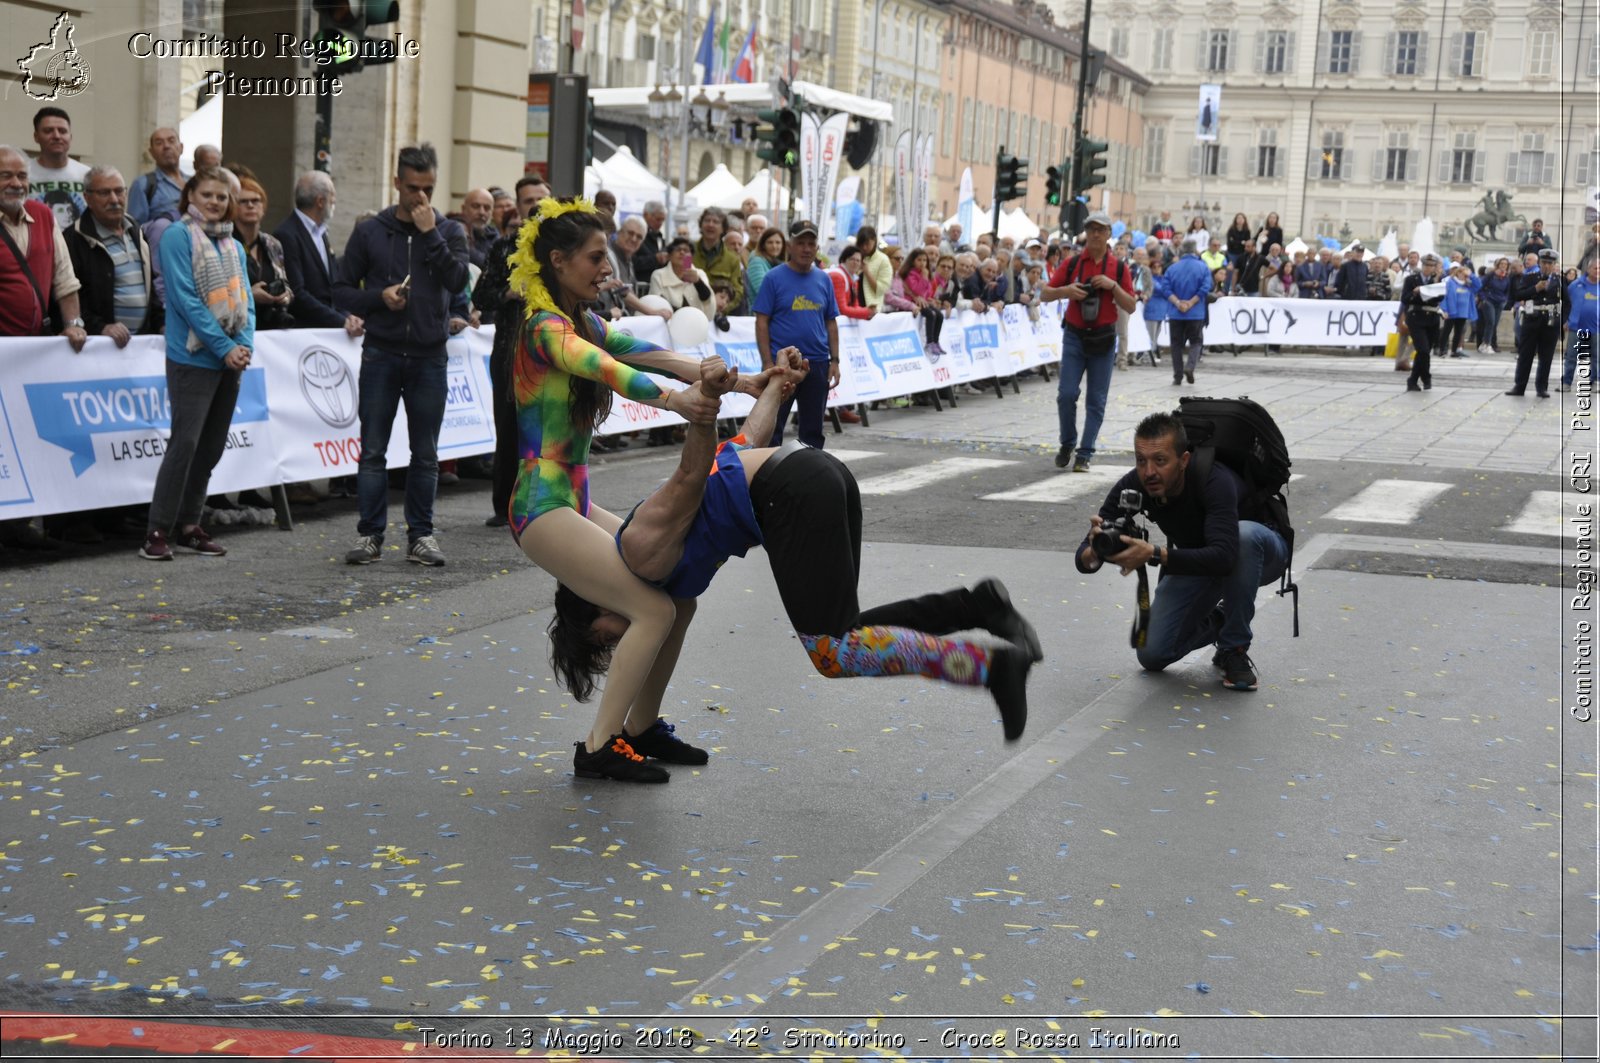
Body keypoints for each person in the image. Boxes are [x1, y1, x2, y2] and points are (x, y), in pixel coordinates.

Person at [548, 358, 1041, 783]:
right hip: (817, 473)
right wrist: (778, 389)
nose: (614, 644)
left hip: (797, 494)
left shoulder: (638, 550)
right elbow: (750, 441)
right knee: (846, 632)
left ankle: (991, 669)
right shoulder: (660, 586)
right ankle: (979, 605)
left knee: (833, 654)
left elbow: (691, 473)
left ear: (590, 595)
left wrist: (703, 409)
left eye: (601, 638)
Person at [499, 195, 726, 782]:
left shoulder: (587, 322)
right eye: (597, 257)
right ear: (558, 261)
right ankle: (599, 746)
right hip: (538, 506)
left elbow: (645, 352)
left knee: (678, 599)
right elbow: (607, 370)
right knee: (650, 609)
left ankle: (641, 727)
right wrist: (675, 402)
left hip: (570, 500)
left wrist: (732, 378)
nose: (608, 269)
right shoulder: (544, 329)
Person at [1075, 412, 1289, 693]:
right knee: (1152, 654)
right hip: (1200, 560)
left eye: (1160, 461)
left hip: (1261, 553)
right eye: (1141, 460)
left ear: (1184, 460)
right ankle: (1223, 619)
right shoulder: (1135, 483)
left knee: (1243, 536)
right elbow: (1083, 556)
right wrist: (1096, 550)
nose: (1149, 471)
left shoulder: (1214, 479)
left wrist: (1154, 554)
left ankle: (1233, 647)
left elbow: (1226, 556)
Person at [334, 143, 471, 567]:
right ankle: (370, 535)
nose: (420, 197)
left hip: (429, 356)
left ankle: (421, 536)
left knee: (425, 452)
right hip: (382, 353)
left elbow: (459, 280)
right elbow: (339, 289)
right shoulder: (371, 231)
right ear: (397, 183)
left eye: (427, 188)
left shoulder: (449, 231)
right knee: (373, 449)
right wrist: (379, 297)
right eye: (412, 188)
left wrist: (429, 233)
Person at [138, 169, 254, 561]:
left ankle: (189, 525)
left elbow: (246, 305)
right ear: (191, 195)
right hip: (191, 358)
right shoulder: (177, 236)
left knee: (211, 447)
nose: (215, 202)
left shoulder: (233, 245)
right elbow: (185, 301)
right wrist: (224, 347)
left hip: (228, 359)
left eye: (222, 197)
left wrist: (244, 345)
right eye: (207, 194)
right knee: (184, 445)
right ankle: (157, 529)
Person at [474, 175, 547, 528]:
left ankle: (545, 502)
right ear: (517, 206)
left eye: (539, 198)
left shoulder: (561, 248)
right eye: (527, 200)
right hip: (509, 350)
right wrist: (507, 294)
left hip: (551, 351)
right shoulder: (503, 248)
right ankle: (505, 504)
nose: (533, 205)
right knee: (509, 428)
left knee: (547, 430)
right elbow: (480, 296)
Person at [1041, 211, 1137, 472]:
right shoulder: (1072, 263)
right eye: (1091, 229)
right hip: (1074, 336)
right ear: (1086, 232)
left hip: (1104, 339)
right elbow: (1044, 293)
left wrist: (1112, 286)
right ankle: (1067, 442)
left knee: (1096, 400)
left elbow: (1131, 305)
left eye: (1101, 229)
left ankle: (1084, 453)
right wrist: (1066, 291)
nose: (1095, 234)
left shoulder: (1118, 267)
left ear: (1108, 234)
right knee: (1066, 395)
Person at [753, 219, 840, 447]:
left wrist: (835, 360)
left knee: (813, 430)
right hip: (784, 365)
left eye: (811, 243)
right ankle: (768, 475)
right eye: (800, 243)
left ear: (817, 247)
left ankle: (809, 477)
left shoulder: (824, 279)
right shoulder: (773, 278)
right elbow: (762, 322)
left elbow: (831, 322)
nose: (806, 248)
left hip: (818, 363)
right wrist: (767, 362)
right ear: (789, 245)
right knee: (772, 426)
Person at [65, 165, 162, 344]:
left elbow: (151, 288)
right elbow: (69, 297)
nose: (114, 199)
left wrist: (162, 324)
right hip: (97, 347)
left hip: (140, 345)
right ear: (87, 198)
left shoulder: (136, 231)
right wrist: (101, 327)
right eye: (104, 193)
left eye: (119, 191)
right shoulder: (74, 239)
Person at [0, 145, 85, 347]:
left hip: (36, 345)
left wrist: (73, 324)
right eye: (6, 176)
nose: (16, 183)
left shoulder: (43, 215)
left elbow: (65, 278)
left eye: (22, 176)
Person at [275, 171, 363, 337]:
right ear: (321, 201)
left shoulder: (321, 233)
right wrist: (340, 321)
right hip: (305, 333)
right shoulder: (287, 234)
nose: (335, 202)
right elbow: (297, 293)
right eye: (333, 197)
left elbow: (333, 285)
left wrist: (348, 316)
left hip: (329, 331)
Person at [232, 177, 295, 332]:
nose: (250, 205)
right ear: (232, 207)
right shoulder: (226, 244)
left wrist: (285, 295)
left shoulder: (272, 244)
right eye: (243, 201)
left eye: (256, 201)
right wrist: (249, 295)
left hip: (271, 329)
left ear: (263, 207)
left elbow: (285, 283)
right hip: (238, 327)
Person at [1506, 248, 1568, 398]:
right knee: (1525, 355)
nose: (1546, 266)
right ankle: (1519, 386)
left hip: (1550, 322)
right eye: (1544, 262)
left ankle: (1542, 387)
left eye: (1550, 263)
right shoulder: (1530, 278)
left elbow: (1567, 302)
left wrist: (1563, 320)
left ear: (1554, 265)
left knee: (1546, 357)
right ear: (1539, 263)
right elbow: (1517, 294)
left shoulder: (1559, 280)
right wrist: (1535, 288)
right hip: (1531, 320)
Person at [27, 108, 88, 230]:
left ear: (70, 137)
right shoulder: (22, 173)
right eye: (48, 131)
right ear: (36, 136)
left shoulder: (87, 174)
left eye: (62, 131)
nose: (56, 136)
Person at [1162, 238, 1212, 386]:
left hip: (1176, 312)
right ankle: (1190, 366)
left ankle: (1177, 376)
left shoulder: (1172, 268)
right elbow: (1205, 288)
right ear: (1195, 249)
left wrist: (1178, 302)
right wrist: (1191, 302)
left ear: (1182, 250)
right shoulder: (1203, 267)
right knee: (1196, 341)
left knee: (1176, 344)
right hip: (1195, 312)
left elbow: (1165, 289)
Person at [602, 216, 671, 321]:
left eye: (639, 237)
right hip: (605, 320)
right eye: (630, 233)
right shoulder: (608, 254)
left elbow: (628, 291)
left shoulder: (628, 259)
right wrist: (653, 312)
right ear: (620, 232)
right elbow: (622, 291)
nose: (634, 239)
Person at [1401, 253, 1445, 392]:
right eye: (1426, 265)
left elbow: (1438, 299)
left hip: (1432, 318)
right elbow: (1405, 298)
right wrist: (1416, 293)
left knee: (1425, 352)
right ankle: (1426, 377)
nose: (1428, 268)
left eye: (1431, 266)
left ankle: (1413, 380)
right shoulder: (1411, 279)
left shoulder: (1438, 281)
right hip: (1416, 317)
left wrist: (1428, 289)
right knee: (1423, 349)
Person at [128, 127, 187, 226]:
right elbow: (135, 228)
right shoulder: (143, 184)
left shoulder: (194, 183)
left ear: (181, 148)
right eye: (159, 143)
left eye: (171, 141)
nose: (166, 146)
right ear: (152, 153)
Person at [691, 207, 744, 313]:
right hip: (692, 312)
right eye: (707, 220)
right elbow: (682, 278)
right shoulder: (687, 253)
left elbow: (738, 291)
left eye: (716, 222)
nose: (710, 224)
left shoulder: (732, 259)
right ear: (701, 225)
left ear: (723, 228)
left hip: (719, 316)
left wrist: (723, 307)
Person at [648, 236, 716, 316]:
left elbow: (708, 302)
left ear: (691, 257)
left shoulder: (699, 274)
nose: (682, 253)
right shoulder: (659, 275)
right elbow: (654, 304)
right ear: (669, 256)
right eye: (678, 250)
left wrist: (698, 282)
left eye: (686, 250)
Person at [1562, 259, 1600, 391]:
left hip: (1597, 328)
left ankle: (1595, 382)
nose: (1598, 271)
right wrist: (1566, 320)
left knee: (1597, 357)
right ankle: (1566, 382)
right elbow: (1567, 304)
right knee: (1571, 356)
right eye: (1596, 268)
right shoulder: (1575, 285)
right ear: (1588, 270)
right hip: (1576, 327)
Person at [1441, 262, 1480, 360]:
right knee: (1446, 331)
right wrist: (1444, 309)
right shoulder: (1450, 282)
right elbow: (1444, 297)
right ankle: (1442, 349)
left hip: (1463, 312)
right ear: (1457, 273)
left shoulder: (1468, 285)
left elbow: (1479, 285)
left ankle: (1454, 350)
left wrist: (1471, 275)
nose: (1463, 275)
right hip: (1451, 311)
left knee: (1458, 332)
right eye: (1461, 273)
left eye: (1464, 274)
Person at [828, 243, 875, 320]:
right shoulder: (837, 276)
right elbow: (841, 309)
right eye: (852, 259)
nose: (855, 263)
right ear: (844, 260)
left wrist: (868, 311)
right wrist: (867, 312)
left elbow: (855, 305)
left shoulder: (853, 279)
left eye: (858, 260)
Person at [452, 188, 497, 270]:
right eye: (476, 206)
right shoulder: (453, 230)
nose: (481, 212)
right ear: (463, 209)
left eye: (487, 208)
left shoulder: (494, 236)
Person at [1476, 256, 1512, 355]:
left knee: (1494, 324)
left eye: (1505, 264)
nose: (1503, 266)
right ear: (1498, 265)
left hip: (1500, 302)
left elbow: (1507, 291)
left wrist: (1505, 300)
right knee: (1490, 322)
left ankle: (1486, 343)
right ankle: (1486, 344)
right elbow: (1480, 286)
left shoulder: (1506, 277)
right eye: (1501, 264)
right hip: (1489, 300)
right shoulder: (1491, 275)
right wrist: (1483, 298)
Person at [856, 224, 892, 309]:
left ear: (874, 241)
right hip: (852, 307)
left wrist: (867, 272)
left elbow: (881, 290)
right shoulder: (853, 257)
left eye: (867, 244)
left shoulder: (883, 260)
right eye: (861, 244)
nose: (864, 247)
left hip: (871, 309)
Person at [745, 226, 785, 301]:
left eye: (778, 242)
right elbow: (762, 290)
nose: (774, 246)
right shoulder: (756, 262)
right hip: (759, 311)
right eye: (770, 242)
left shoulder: (778, 263)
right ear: (763, 244)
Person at [635, 200, 669, 280]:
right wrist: (655, 259)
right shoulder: (635, 236)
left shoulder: (660, 238)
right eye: (657, 219)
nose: (660, 223)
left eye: (662, 220)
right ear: (646, 215)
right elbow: (631, 261)